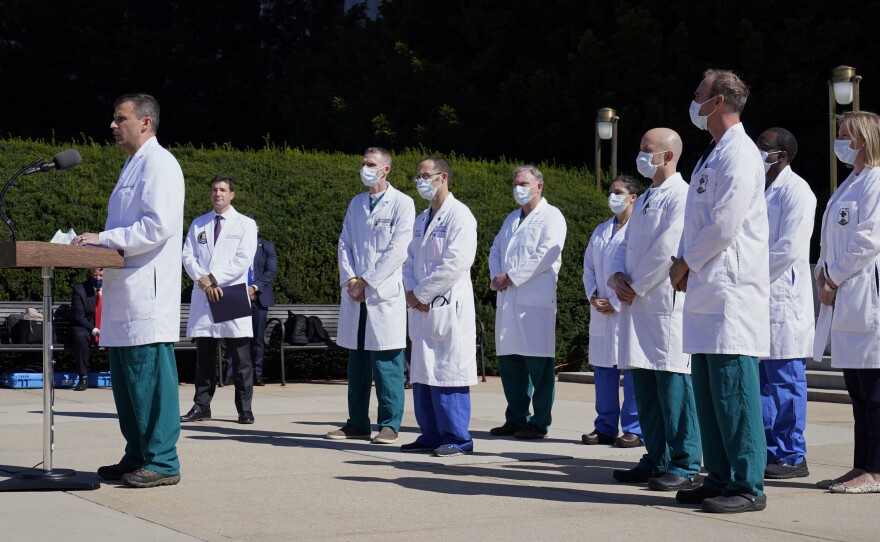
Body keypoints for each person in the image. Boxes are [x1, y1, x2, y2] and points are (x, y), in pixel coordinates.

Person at [669, 69, 769, 513]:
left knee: (734, 390)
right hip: (707, 287)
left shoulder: (741, 154)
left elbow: (724, 224)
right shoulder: (712, 153)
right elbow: (697, 222)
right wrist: (683, 260)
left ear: (721, 101)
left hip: (730, 288)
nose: (694, 103)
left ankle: (748, 485)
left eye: (699, 96)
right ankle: (720, 475)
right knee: (709, 391)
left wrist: (687, 262)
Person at [73, 93, 184, 488]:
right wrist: (101, 249)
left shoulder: (160, 164)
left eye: (120, 118)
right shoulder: (132, 166)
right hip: (125, 290)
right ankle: (137, 453)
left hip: (147, 294)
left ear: (145, 123)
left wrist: (103, 239)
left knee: (149, 379)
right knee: (127, 382)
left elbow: (158, 226)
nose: (113, 125)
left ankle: (163, 460)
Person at [609, 129, 702, 491]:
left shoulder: (683, 195)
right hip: (637, 305)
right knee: (645, 387)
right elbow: (625, 243)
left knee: (673, 387)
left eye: (648, 151)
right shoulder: (647, 196)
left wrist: (635, 284)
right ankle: (656, 457)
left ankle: (685, 461)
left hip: (663, 303)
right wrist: (617, 275)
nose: (641, 156)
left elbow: (668, 249)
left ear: (668, 156)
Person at [327, 147, 415, 445]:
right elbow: (345, 243)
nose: (364, 168)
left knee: (387, 361)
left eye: (370, 164)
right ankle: (357, 423)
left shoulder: (402, 203)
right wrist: (351, 279)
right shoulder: (356, 203)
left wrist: (367, 281)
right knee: (358, 362)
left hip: (382, 294)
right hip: (356, 295)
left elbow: (399, 250)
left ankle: (389, 424)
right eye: (363, 162)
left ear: (385, 170)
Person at [814, 111, 880, 493]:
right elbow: (830, 240)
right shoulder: (848, 184)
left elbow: (868, 239)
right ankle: (861, 467)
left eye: (845, 134)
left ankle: (876, 469)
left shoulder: (875, 181)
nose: (840, 140)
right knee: (857, 392)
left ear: (864, 138)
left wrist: (834, 277)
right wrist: (824, 274)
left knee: (874, 392)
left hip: (865, 297)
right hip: (841, 296)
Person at [401, 156, 478, 457]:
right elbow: (409, 261)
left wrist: (422, 294)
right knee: (423, 374)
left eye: (426, 175)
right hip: (420, 307)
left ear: (443, 177)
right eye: (418, 176)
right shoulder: (421, 220)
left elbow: (456, 263)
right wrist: (411, 293)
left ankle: (458, 439)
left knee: (448, 373)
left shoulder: (460, 216)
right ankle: (430, 435)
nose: (420, 180)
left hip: (446, 308)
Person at [488, 165, 567, 440]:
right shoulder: (512, 218)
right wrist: (496, 277)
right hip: (508, 298)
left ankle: (540, 421)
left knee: (539, 364)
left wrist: (511, 276)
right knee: (510, 362)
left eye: (523, 183)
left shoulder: (552, 216)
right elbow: (496, 248)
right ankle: (516, 417)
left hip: (535, 300)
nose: (518, 188)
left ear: (538, 187)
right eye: (515, 183)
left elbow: (547, 253)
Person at [756, 127, 816, 480]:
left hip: (781, 300)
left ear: (782, 154)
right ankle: (766, 450)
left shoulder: (797, 192)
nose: (757, 153)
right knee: (763, 383)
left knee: (785, 381)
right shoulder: (757, 190)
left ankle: (792, 454)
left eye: (764, 148)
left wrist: (748, 278)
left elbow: (788, 249)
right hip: (757, 302)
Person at [180, 175, 258, 425]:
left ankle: (244, 409)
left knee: (240, 357)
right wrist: (202, 280)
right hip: (205, 295)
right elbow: (188, 255)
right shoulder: (199, 224)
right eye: (214, 189)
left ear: (232, 194)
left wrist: (213, 278)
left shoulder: (245, 224)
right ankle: (201, 405)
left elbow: (243, 260)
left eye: (223, 190)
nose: (218, 194)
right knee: (205, 356)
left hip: (230, 293)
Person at [582, 175, 643, 449]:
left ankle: (634, 429)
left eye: (618, 192)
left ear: (633, 198)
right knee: (603, 371)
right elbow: (589, 268)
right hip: (601, 310)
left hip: (627, 308)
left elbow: (639, 270)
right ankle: (605, 426)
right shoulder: (601, 230)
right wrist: (594, 296)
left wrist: (616, 301)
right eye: (611, 191)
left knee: (630, 372)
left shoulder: (639, 229)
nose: (613, 196)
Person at [224, 218, 276, 386]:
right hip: (237, 295)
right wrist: (243, 290)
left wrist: (254, 288)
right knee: (234, 336)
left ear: (257, 229)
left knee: (258, 339)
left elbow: (270, 271)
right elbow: (229, 270)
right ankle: (230, 373)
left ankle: (257, 374)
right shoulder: (233, 248)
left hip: (259, 299)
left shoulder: (266, 247)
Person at [69, 267, 103, 391]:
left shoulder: (112, 289)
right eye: (95, 275)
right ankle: (83, 377)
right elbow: (79, 316)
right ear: (90, 274)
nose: (98, 278)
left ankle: (121, 377)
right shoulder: (80, 289)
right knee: (80, 336)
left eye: (101, 275)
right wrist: (95, 330)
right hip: (87, 327)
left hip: (106, 327)